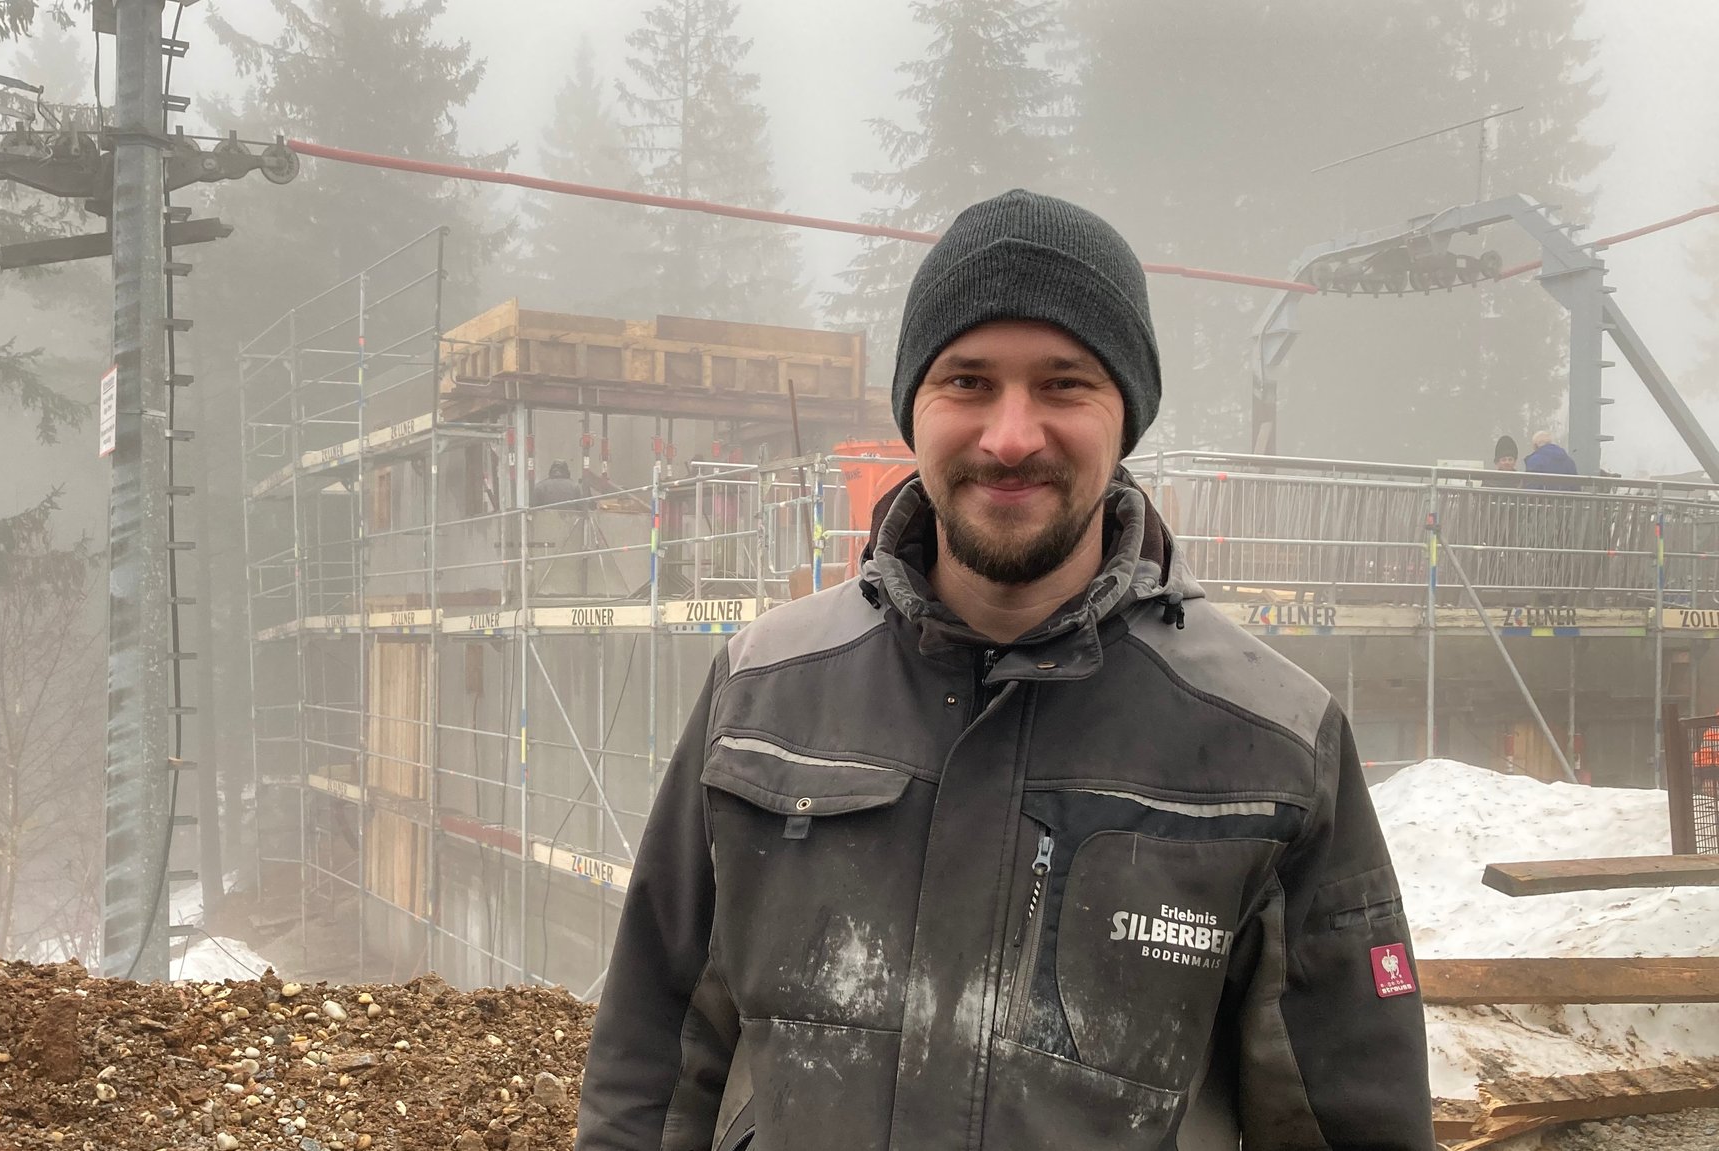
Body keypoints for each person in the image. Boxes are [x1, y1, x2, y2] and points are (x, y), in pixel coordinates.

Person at [576, 191, 1434, 1150]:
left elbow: (1351, 1116)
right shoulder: (762, 690)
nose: (1012, 435)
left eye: (1064, 384)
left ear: (1127, 416)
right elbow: (649, 1060)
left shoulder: (1271, 741)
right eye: (968, 381)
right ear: (915, 407)